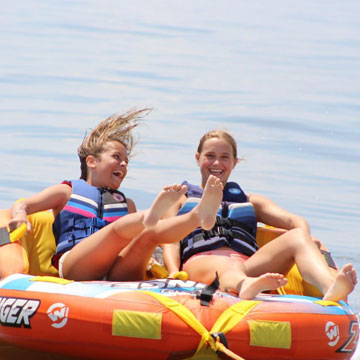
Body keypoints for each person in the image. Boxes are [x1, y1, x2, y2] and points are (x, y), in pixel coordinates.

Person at [7, 109, 225, 281]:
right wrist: (20, 216)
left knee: (149, 235)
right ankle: (151, 216)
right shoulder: (66, 191)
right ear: (91, 161)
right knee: (119, 229)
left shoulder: (125, 204)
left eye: (126, 161)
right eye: (117, 157)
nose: (123, 164)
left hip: (116, 272)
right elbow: (23, 205)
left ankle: (198, 217)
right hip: (77, 267)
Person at [162, 129, 357, 301]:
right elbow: (169, 238)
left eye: (224, 157)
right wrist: (173, 271)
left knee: (297, 237)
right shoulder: (181, 197)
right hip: (202, 262)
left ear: (234, 162)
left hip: (249, 264)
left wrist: (307, 239)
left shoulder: (250, 201)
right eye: (210, 156)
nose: (217, 163)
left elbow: (294, 221)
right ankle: (243, 285)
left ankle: (330, 286)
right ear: (197, 158)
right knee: (227, 265)